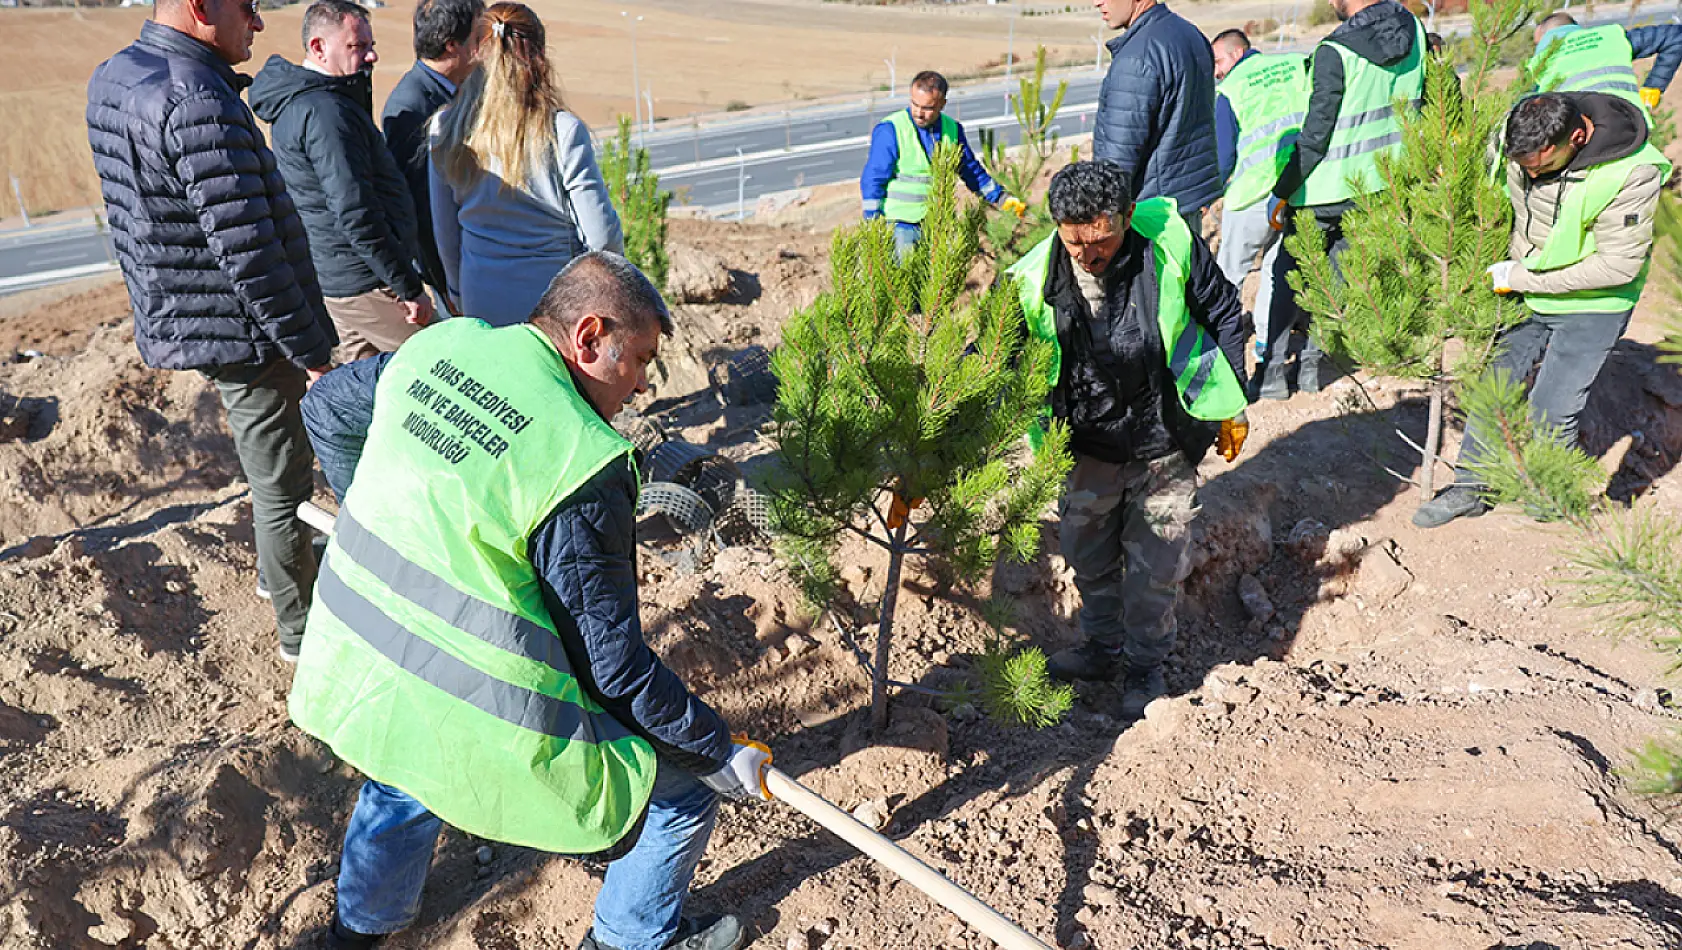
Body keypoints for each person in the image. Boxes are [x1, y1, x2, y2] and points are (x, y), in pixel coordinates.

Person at [293, 252, 765, 950]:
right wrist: (714, 750)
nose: (638, 386)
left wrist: (375, 502)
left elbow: (324, 405)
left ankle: (356, 933)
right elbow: (613, 670)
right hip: (479, 707)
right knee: (679, 796)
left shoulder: (442, 349)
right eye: (635, 359)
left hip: (362, 658)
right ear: (589, 336)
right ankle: (628, 940)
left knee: (406, 768)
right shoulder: (579, 456)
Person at [87, 0, 336, 662]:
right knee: (282, 484)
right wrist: (311, 350)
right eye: (248, 8)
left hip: (193, 312)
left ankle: (275, 573)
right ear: (201, 7)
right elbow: (250, 253)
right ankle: (300, 635)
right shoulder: (196, 99)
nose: (256, 24)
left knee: (269, 472)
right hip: (244, 329)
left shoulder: (116, 75)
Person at [1005, 161, 1250, 720]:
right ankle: (1102, 649)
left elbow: (1224, 314)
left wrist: (1231, 401)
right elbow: (990, 362)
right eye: (1075, 244)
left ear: (1128, 217)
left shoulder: (1168, 245)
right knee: (1088, 557)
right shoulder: (1029, 282)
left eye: (1101, 242)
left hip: (1164, 438)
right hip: (1086, 445)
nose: (1089, 256)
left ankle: (1144, 666)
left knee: (1155, 567)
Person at [1413, 92, 1670, 529]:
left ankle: (1549, 492)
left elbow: (1618, 266)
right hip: (1525, 286)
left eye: (1539, 166)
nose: (1529, 172)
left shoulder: (1632, 172)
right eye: (1523, 165)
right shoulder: (1520, 134)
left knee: (1552, 406)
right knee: (1493, 386)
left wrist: (1524, 279)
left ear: (1577, 136)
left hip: (1596, 301)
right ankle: (1472, 487)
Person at [250, 0, 432, 365]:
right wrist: (408, 288)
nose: (371, 57)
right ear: (319, 48)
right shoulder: (326, 114)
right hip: (370, 285)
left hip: (342, 283)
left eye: (370, 44)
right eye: (357, 46)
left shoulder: (305, 104)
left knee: (366, 394)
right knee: (443, 367)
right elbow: (356, 212)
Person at [1261, 0, 1426, 400]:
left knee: (1290, 278)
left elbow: (1315, 138)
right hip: (1381, 184)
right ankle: (1313, 370)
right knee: (1338, 281)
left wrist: (1281, 191)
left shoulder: (1334, 51)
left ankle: (1271, 378)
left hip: (1322, 191)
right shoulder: (1416, 32)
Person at [429, 2, 624, 327]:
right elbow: (602, 237)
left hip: (481, 297)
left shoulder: (445, 129)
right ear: (540, 55)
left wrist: (457, 292)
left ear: (476, 51)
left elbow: (447, 233)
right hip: (555, 302)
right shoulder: (562, 131)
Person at [1211, 29, 1307, 365]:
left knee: (1227, 277)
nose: (1216, 72)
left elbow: (1224, 156)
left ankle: (1219, 349)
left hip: (1251, 196)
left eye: (1218, 61)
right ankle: (1268, 347)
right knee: (1273, 272)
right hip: (1295, 188)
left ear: (1236, 53)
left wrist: (1215, 193)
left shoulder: (1231, 90)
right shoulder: (1296, 65)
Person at [383, 0, 484, 310]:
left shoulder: (461, 89)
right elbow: (423, 210)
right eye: (480, 37)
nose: (487, 47)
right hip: (454, 277)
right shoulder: (411, 109)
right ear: (453, 45)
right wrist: (448, 287)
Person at [859, 70, 1025, 258]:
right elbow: (873, 179)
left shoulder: (952, 130)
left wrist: (1001, 199)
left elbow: (971, 171)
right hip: (899, 226)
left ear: (942, 104)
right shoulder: (891, 129)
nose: (919, 113)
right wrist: (873, 224)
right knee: (903, 281)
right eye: (915, 104)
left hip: (937, 224)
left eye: (928, 108)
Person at [1091, 0, 1222, 234]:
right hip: (1186, 202)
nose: (1096, 2)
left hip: (1151, 217)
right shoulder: (1191, 34)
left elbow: (1116, 161)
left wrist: (1097, 224)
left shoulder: (1137, 57)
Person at [1529, 13, 1682, 123]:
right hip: (1631, 125)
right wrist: (1653, 87)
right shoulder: (1611, 38)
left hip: (1579, 137)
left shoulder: (1542, 60)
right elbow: (1676, 36)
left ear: (1542, 33)